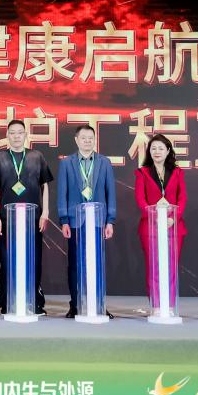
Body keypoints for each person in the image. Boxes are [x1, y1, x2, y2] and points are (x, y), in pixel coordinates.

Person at [0, 119, 53, 315]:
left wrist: (45, 212)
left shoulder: (36, 156)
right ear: (7, 135)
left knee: (34, 260)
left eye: (20, 132)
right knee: (7, 260)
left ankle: (35, 302)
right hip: (7, 219)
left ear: (25, 135)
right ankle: (7, 302)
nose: (16, 136)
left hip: (33, 219)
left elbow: (45, 185)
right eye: (12, 133)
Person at [56, 124, 117, 319]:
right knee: (75, 264)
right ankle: (75, 305)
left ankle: (99, 304)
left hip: (98, 221)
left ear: (95, 139)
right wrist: (64, 220)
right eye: (84, 138)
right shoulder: (67, 163)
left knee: (96, 263)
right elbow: (62, 193)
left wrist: (110, 220)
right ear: (77, 140)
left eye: (91, 138)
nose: (88, 141)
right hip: (75, 221)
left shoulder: (104, 162)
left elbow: (110, 192)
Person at [135, 133, 187, 313]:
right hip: (151, 227)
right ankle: (156, 305)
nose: (157, 151)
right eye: (153, 148)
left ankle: (170, 305)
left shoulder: (178, 172)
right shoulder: (142, 172)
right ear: (149, 151)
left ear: (168, 151)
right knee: (154, 267)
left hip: (174, 226)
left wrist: (173, 218)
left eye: (161, 148)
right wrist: (155, 218)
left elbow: (182, 198)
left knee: (171, 267)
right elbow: (140, 199)